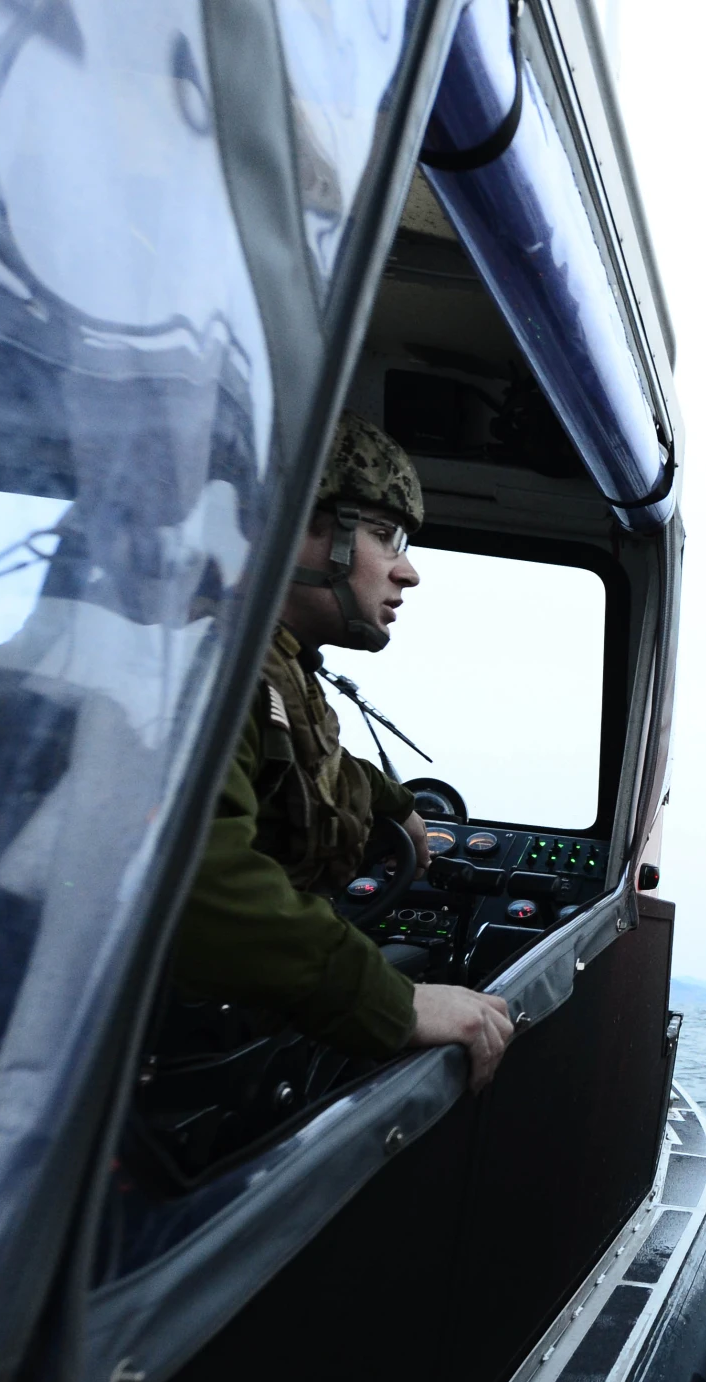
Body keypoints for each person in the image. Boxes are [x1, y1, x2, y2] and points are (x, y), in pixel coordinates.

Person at [170, 412, 514, 1089]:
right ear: (297, 523)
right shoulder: (195, 664)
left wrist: (396, 803)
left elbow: (295, 759)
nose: (407, 571)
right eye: (384, 535)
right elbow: (199, 887)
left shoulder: (266, 665)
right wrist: (396, 1005)